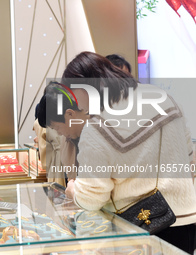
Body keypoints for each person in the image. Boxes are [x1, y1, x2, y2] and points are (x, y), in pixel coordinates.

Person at [38, 51, 196, 254]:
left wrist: (73, 191)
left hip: (143, 229)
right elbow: (189, 157)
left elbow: (91, 198)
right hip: (186, 221)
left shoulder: (97, 126)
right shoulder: (164, 98)